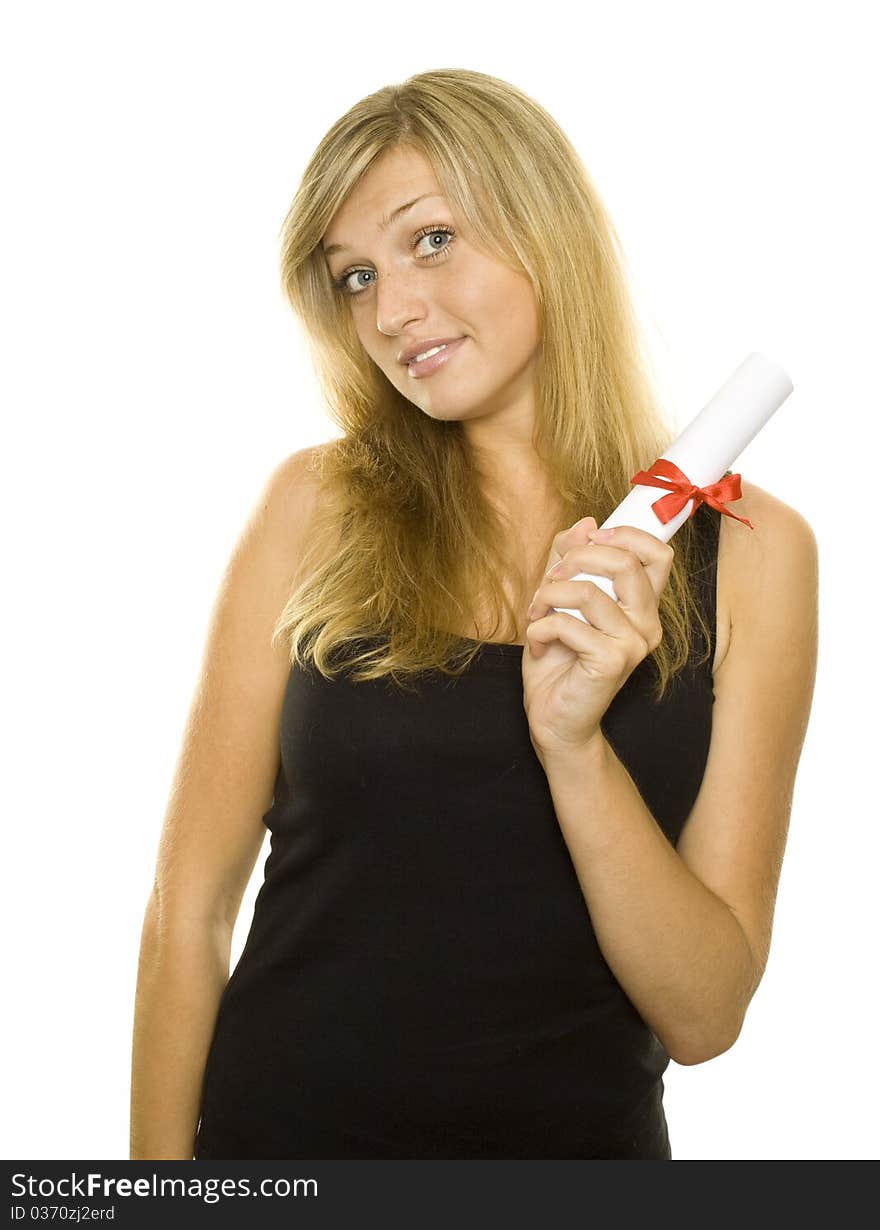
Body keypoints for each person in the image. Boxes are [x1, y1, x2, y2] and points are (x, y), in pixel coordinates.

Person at [129, 68, 819, 1160]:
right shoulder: (314, 506)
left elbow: (705, 1016)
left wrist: (573, 744)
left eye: (431, 239)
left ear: (545, 227)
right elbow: (191, 909)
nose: (391, 311)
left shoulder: (750, 553)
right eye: (353, 276)